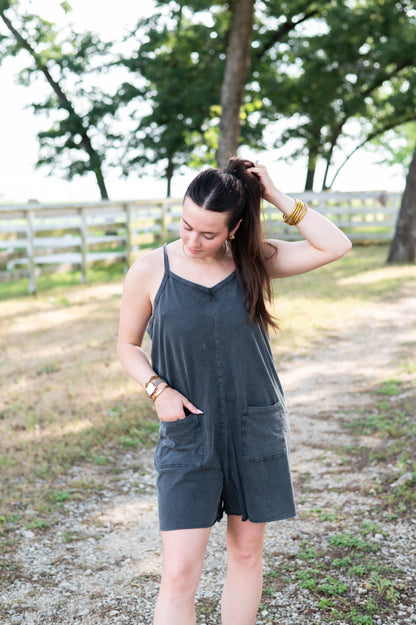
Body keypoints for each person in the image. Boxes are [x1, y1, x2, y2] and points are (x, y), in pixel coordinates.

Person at [117, 158, 352, 625]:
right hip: (189, 435)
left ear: (235, 228)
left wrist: (277, 196)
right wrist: (156, 389)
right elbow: (127, 345)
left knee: (246, 556)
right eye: (186, 226)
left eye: (208, 234)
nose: (192, 241)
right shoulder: (149, 270)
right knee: (179, 573)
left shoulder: (252, 260)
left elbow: (335, 245)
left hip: (253, 428)